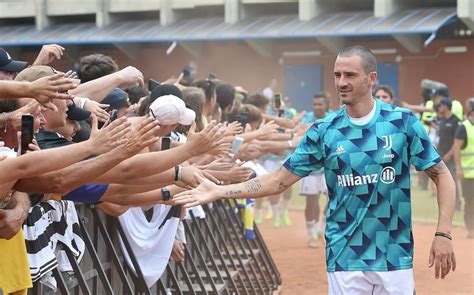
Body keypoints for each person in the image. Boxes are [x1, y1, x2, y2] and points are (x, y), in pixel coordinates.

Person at [175, 46, 456, 294]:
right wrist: (220, 190)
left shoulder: (401, 123)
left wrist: (443, 233)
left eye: (350, 75)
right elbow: (277, 181)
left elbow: (442, 175)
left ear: (372, 79)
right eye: (337, 75)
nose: (341, 83)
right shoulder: (325, 131)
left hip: (394, 256)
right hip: (345, 256)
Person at [299, 93, 329, 248]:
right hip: (310, 168)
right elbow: (300, 135)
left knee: (333, 199)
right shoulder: (306, 119)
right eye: (315, 104)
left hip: (328, 168)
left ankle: (321, 226)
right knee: (311, 202)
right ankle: (311, 234)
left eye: (320, 104)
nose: (317, 107)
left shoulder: (332, 118)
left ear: (326, 105)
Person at [434, 97, 461, 210]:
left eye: (441, 105)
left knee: (452, 181)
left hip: (449, 157)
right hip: (441, 156)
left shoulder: (456, 121)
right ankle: (446, 204)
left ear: (446, 106)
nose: (439, 108)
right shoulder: (442, 121)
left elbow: (457, 141)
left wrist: (449, 154)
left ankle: (457, 205)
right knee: (442, 181)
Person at [453, 98, 474, 238]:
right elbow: (457, 148)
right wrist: (459, 168)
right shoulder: (464, 127)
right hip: (468, 174)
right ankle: (471, 229)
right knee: (470, 202)